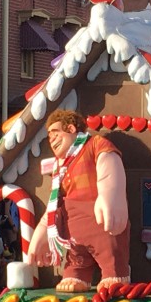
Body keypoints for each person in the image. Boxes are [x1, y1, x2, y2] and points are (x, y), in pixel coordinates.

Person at [27, 109, 130, 292]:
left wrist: (109, 196)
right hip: (73, 228)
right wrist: (42, 233)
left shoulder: (95, 144)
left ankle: (114, 273)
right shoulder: (60, 166)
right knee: (75, 259)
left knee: (110, 251)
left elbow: (110, 162)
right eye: (49, 136)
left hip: (100, 220)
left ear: (72, 128)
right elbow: (54, 203)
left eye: (55, 133)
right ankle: (77, 275)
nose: (52, 139)